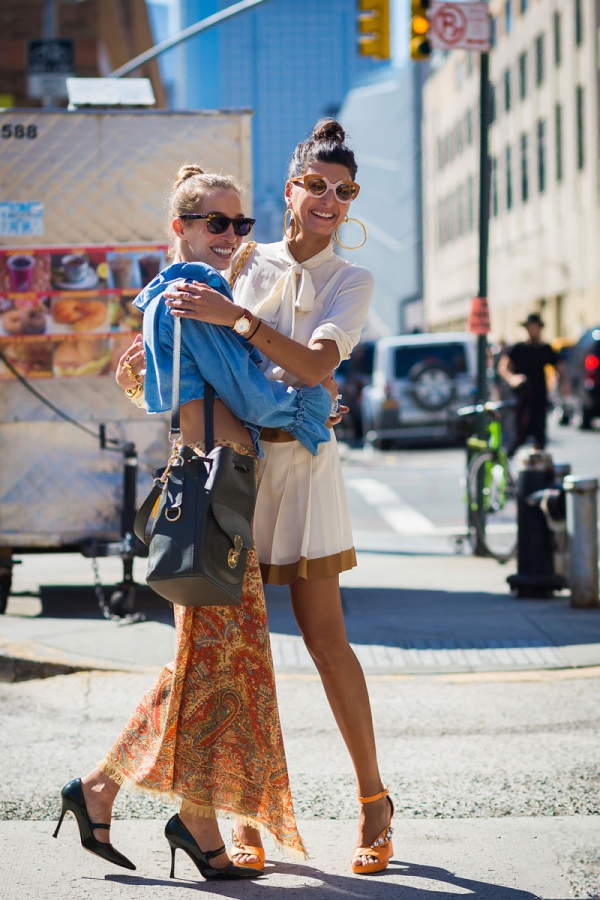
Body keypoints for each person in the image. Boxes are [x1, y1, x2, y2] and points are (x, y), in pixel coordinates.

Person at [118, 121, 394, 876]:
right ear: (290, 190)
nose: (329, 200)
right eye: (316, 186)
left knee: (326, 640)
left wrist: (238, 320)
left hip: (302, 472)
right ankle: (245, 818)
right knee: (235, 651)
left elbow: (311, 367)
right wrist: (147, 359)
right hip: (228, 469)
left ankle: (374, 802)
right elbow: (198, 364)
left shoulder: (352, 281)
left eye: (343, 191)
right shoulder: (239, 258)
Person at [54, 166, 337, 881]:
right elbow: (255, 397)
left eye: (240, 224)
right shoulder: (199, 293)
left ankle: (121, 798)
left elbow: (155, 388)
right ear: (180, 227)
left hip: (204, 484)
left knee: (212, 660)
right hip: (218, 493)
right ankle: (177, 814)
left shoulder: (164, 297)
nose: (232, 237)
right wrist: (312, 404)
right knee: (222, 659)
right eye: (217, 222)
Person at [498, 312, 563, 456]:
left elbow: (559, 367)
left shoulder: (545, 349)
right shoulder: (519, 348)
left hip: (539, 398)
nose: (533, 330)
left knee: (540, 438)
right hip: (522, 398)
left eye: (536, 327)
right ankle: (506, 467)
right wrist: (512, 379)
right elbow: (504, 367)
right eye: (530, 327)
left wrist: (562, 384)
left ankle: (536, 472)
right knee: (517, 437)